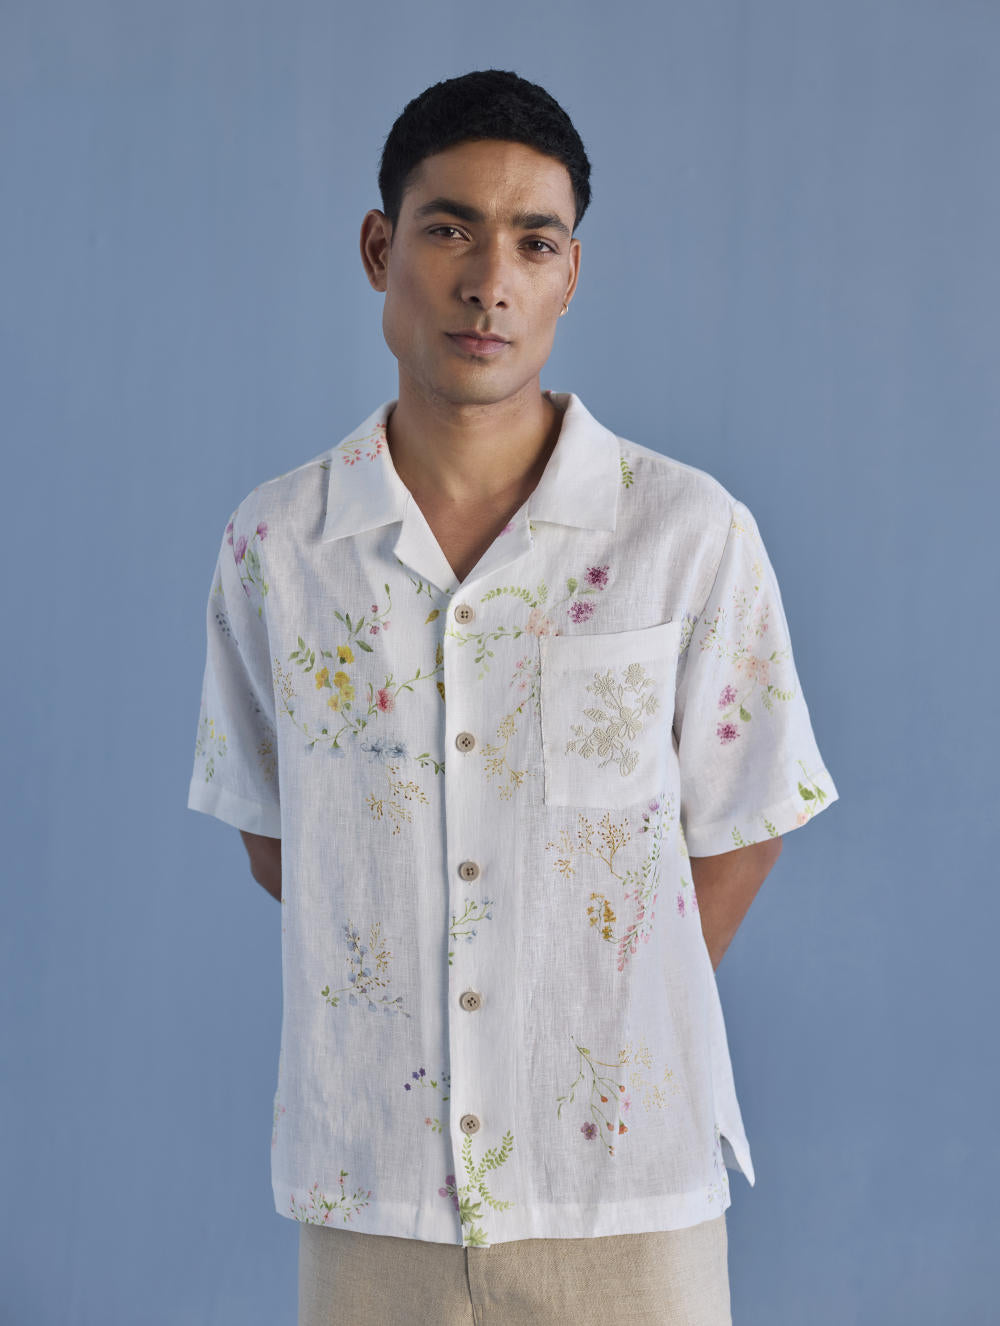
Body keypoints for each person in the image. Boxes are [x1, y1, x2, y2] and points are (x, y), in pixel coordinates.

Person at [187, 68, 838, 1325]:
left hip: (624, 1192)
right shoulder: (279, 546)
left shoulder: (685, 535)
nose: (489, 280)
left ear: (569, 274)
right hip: (373, 1184)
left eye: (534, 242)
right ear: (379, 250)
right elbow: (283, 837)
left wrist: (583, 1010)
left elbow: (741, 825)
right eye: (449, 229)